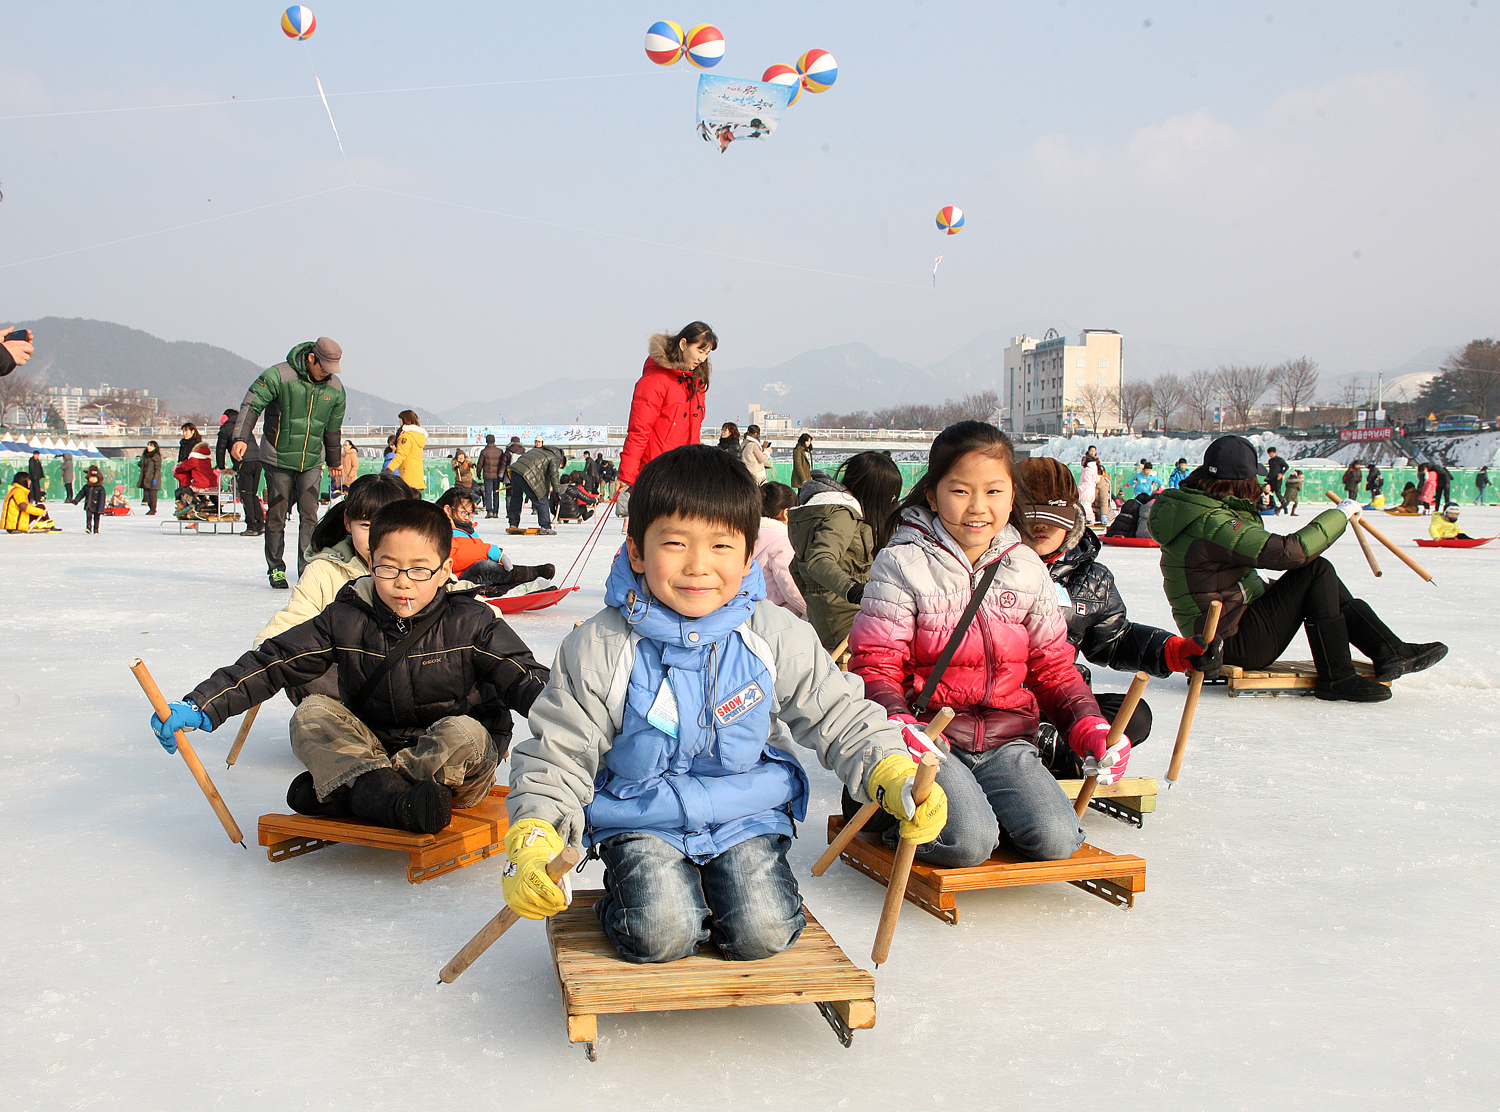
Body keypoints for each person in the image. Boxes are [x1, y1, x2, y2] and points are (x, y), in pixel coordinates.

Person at [501, 444, 943, 963]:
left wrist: (891, 770)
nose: (697, 566)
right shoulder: (602, 645)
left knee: (764, 933)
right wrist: (535, 832)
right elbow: (560, 751)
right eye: (675, 543)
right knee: (660, 933)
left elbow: (838, 713)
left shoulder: (773, 634)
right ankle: (640, 903)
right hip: (643, 817)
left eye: (720, 546)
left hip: (746, 812)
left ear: (747, 552)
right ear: (637, 551)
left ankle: (717, 898)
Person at [149, 500, 550, 835]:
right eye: (389, 568)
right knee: (312, 714)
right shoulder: (347, 616)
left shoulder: (472, 622)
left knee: (462, 732)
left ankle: (355, 789)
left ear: (444, 570)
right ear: (371, 562)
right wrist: (202, 705)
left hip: (453, 768)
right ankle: (382, 793)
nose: (403, 582)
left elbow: (527, 679)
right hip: (374, 748)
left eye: (419, 570)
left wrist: (584, 727)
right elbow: (275, 660)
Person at [848, 421, 1111, 868]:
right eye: (960, 491)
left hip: (1007, 738)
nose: (978, 507)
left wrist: (1087, 724)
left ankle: (982, 811)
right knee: (968, 843)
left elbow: (1053, 666)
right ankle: (895, 814)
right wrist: (897, 720)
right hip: (930, 738)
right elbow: (875, 663)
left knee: (1057, 841)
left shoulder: (1026, 566)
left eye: (993, 492)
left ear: (1012, 496)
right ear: (932, 494)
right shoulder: (903, 562)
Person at [1149, 435, 1446, 702]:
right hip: (1229, 641)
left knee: (1316, 579)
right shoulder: (1211, 521)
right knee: (1314, 571)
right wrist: (1339, 516)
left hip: (1227, 626)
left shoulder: (1196, 508)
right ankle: (1338, 675)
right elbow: (1289, 553)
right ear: (1242, 482)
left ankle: (1388, 651)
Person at [1015, 457, 1221, 774]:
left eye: (1053, 520)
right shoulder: (987, 570)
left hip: (1059, 700)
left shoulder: (1090, 577)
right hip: (998, 703)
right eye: (1033, 521)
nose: (1042, 530)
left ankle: (1062, 752)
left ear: (1072, 520)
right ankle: (1042, 752)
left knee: (1133, 714)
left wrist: (1175, 652)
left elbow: (1114, 638)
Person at [253, 473, 415, 704]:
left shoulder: (425, 568)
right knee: (300, 667)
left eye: (391, 526)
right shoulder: (324, 571)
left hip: (417, 682)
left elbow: (464, 609)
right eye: (367, 526)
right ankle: (343, 730)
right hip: (356, 689)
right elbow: (294, 620)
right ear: (348, 523)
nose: (377, 538)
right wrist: (269, 654)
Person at [230, 338, 346, 589]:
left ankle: (306, 569)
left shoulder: (335, 388)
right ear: (311, 358)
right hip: (278, 457)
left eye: (331, 369)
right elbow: (252, 405)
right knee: (277, 515)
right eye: (323, 366)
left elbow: (333, 428)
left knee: (310, 517)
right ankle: (276, 568)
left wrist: (335, 460)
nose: (326, 373)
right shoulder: (279, 376)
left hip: (312, 460)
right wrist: (240, 437)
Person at [789, 452, 902, 652]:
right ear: (875, 492)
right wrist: (854, 591)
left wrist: (814, 599)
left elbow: (796, 566)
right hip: (846, 618)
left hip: (830, 615)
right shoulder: (842, 514)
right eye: (891, 496)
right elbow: (819, 560)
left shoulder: (827, 510)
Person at [618, 323, 717, 489]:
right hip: (656, 474)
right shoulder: (655, 381)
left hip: (685, 474)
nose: (702, 358)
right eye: (700, 351)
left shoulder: (696, 384)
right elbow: (639, 430)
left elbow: (694, 434)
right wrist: (626, 474)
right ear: (683, 344)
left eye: (706, 353)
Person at [435, 487, 554, 593]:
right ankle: (531, 573)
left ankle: (508, 589)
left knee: (492, 567)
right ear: (447, 509)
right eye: (463, 512)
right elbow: (455, 559)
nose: (467, 517)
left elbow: (474, 551)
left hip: (475, 578)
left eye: (470, 513)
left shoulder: (468, 530)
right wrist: (488, 551)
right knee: (485, 566)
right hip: (456, 581)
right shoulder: (443, 530)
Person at [752, 481, 805, 618]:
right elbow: (790, 585)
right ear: (786, 513)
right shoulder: (781, 540)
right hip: (775, 613)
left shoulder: (747, 533)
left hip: (747, 607)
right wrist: (811, 611)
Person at [507, 443, 564, 534]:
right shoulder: (554, 458)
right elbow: (554, 475)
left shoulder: (537, 450)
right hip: (527, 474)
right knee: (541, 500)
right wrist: (557, 492)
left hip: (515, 471)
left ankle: (513, 524)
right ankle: (545, 527)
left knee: (516, 498)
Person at [172, 442, 219, 517]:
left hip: (200, 483)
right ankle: (217, 506)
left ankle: (197, 503)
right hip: (212, 483)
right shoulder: (207, 460)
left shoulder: (194, 460)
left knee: (186, 491)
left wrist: (176, 469)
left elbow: (184, 467)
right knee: (211, 494)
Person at [390, 410, 426, 494]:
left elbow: (401, 455)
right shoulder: (418, 436)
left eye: (400, 419)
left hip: (407, 474)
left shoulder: (406, 437)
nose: (399, 422)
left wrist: (389, 469)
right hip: (417, 474)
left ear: (405, 420)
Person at [476, 435, 505, 518]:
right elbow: (502, 464)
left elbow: (480, 464)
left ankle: (489, 512)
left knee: (488, 494)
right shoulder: (500, 451)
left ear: (486, 441)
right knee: (496, 493)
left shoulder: (484, 452)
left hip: (487, 476)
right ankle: (496, 512)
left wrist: (478, 473)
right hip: (497, 476)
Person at [77, 466, 107, 534]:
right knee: (89, 517)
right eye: (91, 477)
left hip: (97, 507)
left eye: (94, 478)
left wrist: (101, 509)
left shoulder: (100, 488)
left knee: (96, 518)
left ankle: (96, 529)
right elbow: (81, 494)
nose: (92, 479)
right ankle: (88, 528)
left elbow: (102, 499)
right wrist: (76, 500)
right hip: (89, 505)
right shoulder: (87, 487)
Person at [138, 441, 163, 515]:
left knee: (152, 494)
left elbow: (157, 469)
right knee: (146, 494)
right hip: (146, 478)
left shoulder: (156, 457)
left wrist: (155, 479)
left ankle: (153, 509)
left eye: (151, 446)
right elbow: (142, 465)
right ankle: (150, 507)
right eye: (148, 445)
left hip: (153, 478)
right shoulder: (145, 456)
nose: (149, 447)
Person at [1265, 447, 1288, 512]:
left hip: (1277, 479)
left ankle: (1284, 506)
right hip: (1271, 479)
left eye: (1272, 453)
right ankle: (1273, 506)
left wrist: (1281, 473)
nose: (1271, 455)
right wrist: (1268, 476)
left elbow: (1286, 466)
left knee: (1278, 493)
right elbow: (1271, 470)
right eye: (1269, 454)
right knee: (1270, 493)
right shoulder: (1270, 461)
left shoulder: (1280, 460)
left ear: (1275, 452)